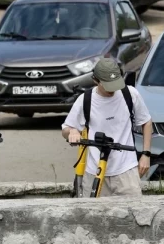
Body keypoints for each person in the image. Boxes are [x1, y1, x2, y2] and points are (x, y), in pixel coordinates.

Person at [62, 58, 153, 197]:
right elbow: (66, 129)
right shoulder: (85, 100)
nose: (113, 89)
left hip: (126, 170)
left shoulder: (130, 94)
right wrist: (73, 131)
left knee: (134, 214)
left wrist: (146, 154)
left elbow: (146, 122)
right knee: (92, 215)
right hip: (94, 171)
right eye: (107, 85)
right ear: (96, 80)